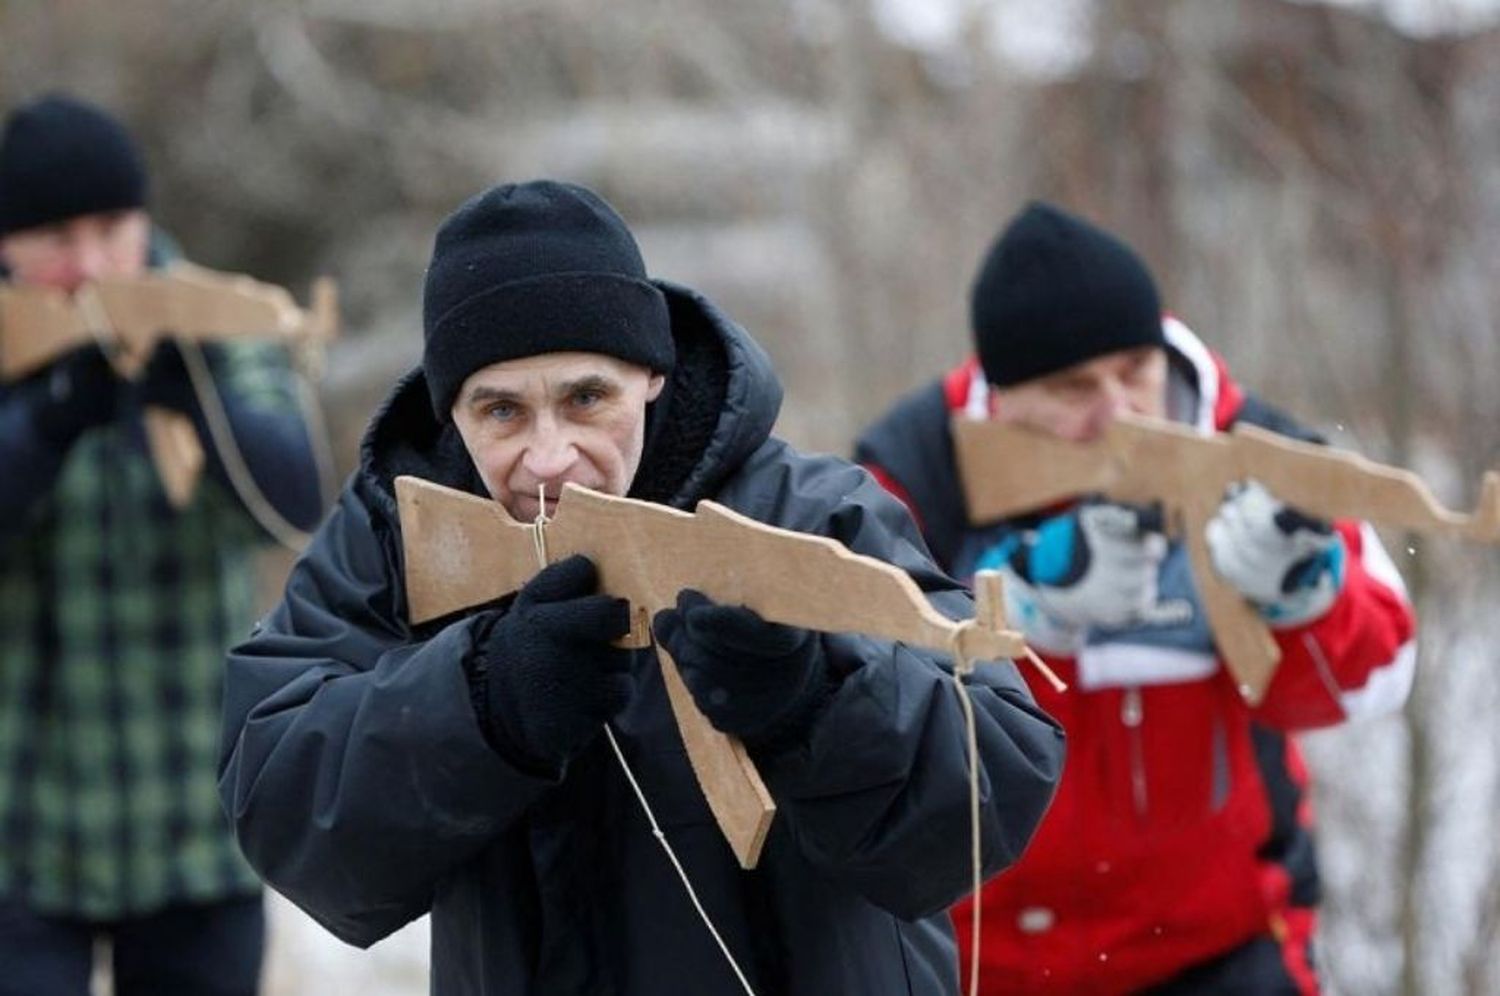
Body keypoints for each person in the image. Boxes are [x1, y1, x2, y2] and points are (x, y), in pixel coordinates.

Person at [216, 179, 1066, 995]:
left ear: (653, 375)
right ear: (451, 416)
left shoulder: (810, 514)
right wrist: (485, 704)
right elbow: (280, 791)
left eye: (588, 399)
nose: (549, 457)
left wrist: (815, 700)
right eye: (501, 411)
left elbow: (993, 781)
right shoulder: (398, 541)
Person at [855, 201, 1417, 994]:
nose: (1119, 411)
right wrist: (1014, 610)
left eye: (1133, 370)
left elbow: (1380, 677)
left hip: (1219, 948)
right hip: (988, 961)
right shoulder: (915, 474)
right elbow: (855, 698)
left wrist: (1303, 598)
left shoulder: (1257, 447)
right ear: (1002, 395)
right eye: (1074, 387)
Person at [0, 93, 327, 995]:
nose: (92, 263)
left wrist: (190, 395)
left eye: (112, 228)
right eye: (57, 239)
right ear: (9, 248)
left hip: (194, 829)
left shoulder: (215, 320)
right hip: (19, 836)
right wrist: (53, 417)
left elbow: (292, 503)